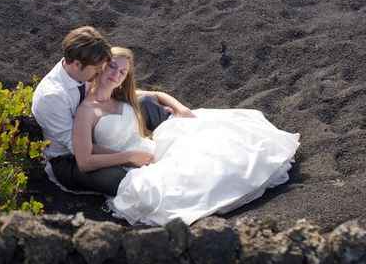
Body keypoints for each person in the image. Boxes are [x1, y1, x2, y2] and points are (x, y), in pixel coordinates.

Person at [73, 46, 300, 226]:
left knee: (221, 145)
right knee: (177, 188)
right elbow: (84, 162)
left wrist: (180, 109)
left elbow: (158, 95)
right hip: (134, 162)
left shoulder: (122, 96)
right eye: (113, 67)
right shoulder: (87, 111)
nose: (116, 74)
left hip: (153, 147)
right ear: (101, 66)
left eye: (122, 72)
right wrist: (129, 156)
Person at [31, 26, 187, 196]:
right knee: (122, 180)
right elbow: (79, 150)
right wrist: (127, 156)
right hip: (69, 159)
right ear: (76, 64)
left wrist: (161, 96)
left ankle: (180, 127)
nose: (101, 72)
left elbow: (114, 88)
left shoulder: (83, 66)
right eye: (98, 69)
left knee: (147, 102)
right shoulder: (52, 97)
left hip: (97, 131)